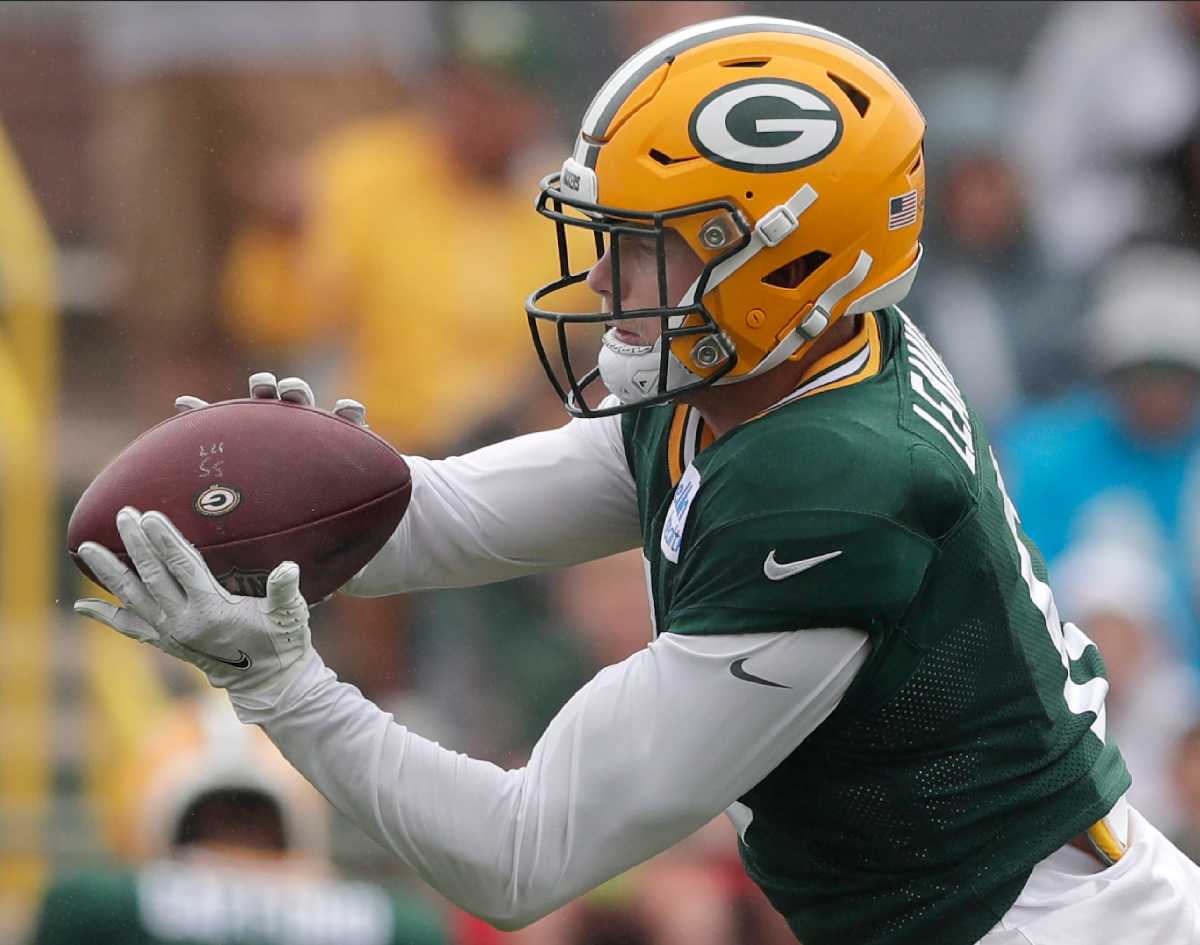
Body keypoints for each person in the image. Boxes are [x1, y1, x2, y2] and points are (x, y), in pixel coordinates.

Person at [72, 16, 1200, 945]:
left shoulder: (829, 490)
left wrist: (284, 689)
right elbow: (450, 513)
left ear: (786, 261)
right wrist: (296, 498)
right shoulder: (777, 356)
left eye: (650, 245)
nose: (608, 278)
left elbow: (519, 858)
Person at [30, 695, 449, 945]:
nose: (236, 853)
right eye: (216, 828)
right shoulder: (385, 921)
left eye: (252, 827)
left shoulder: (98, 906)